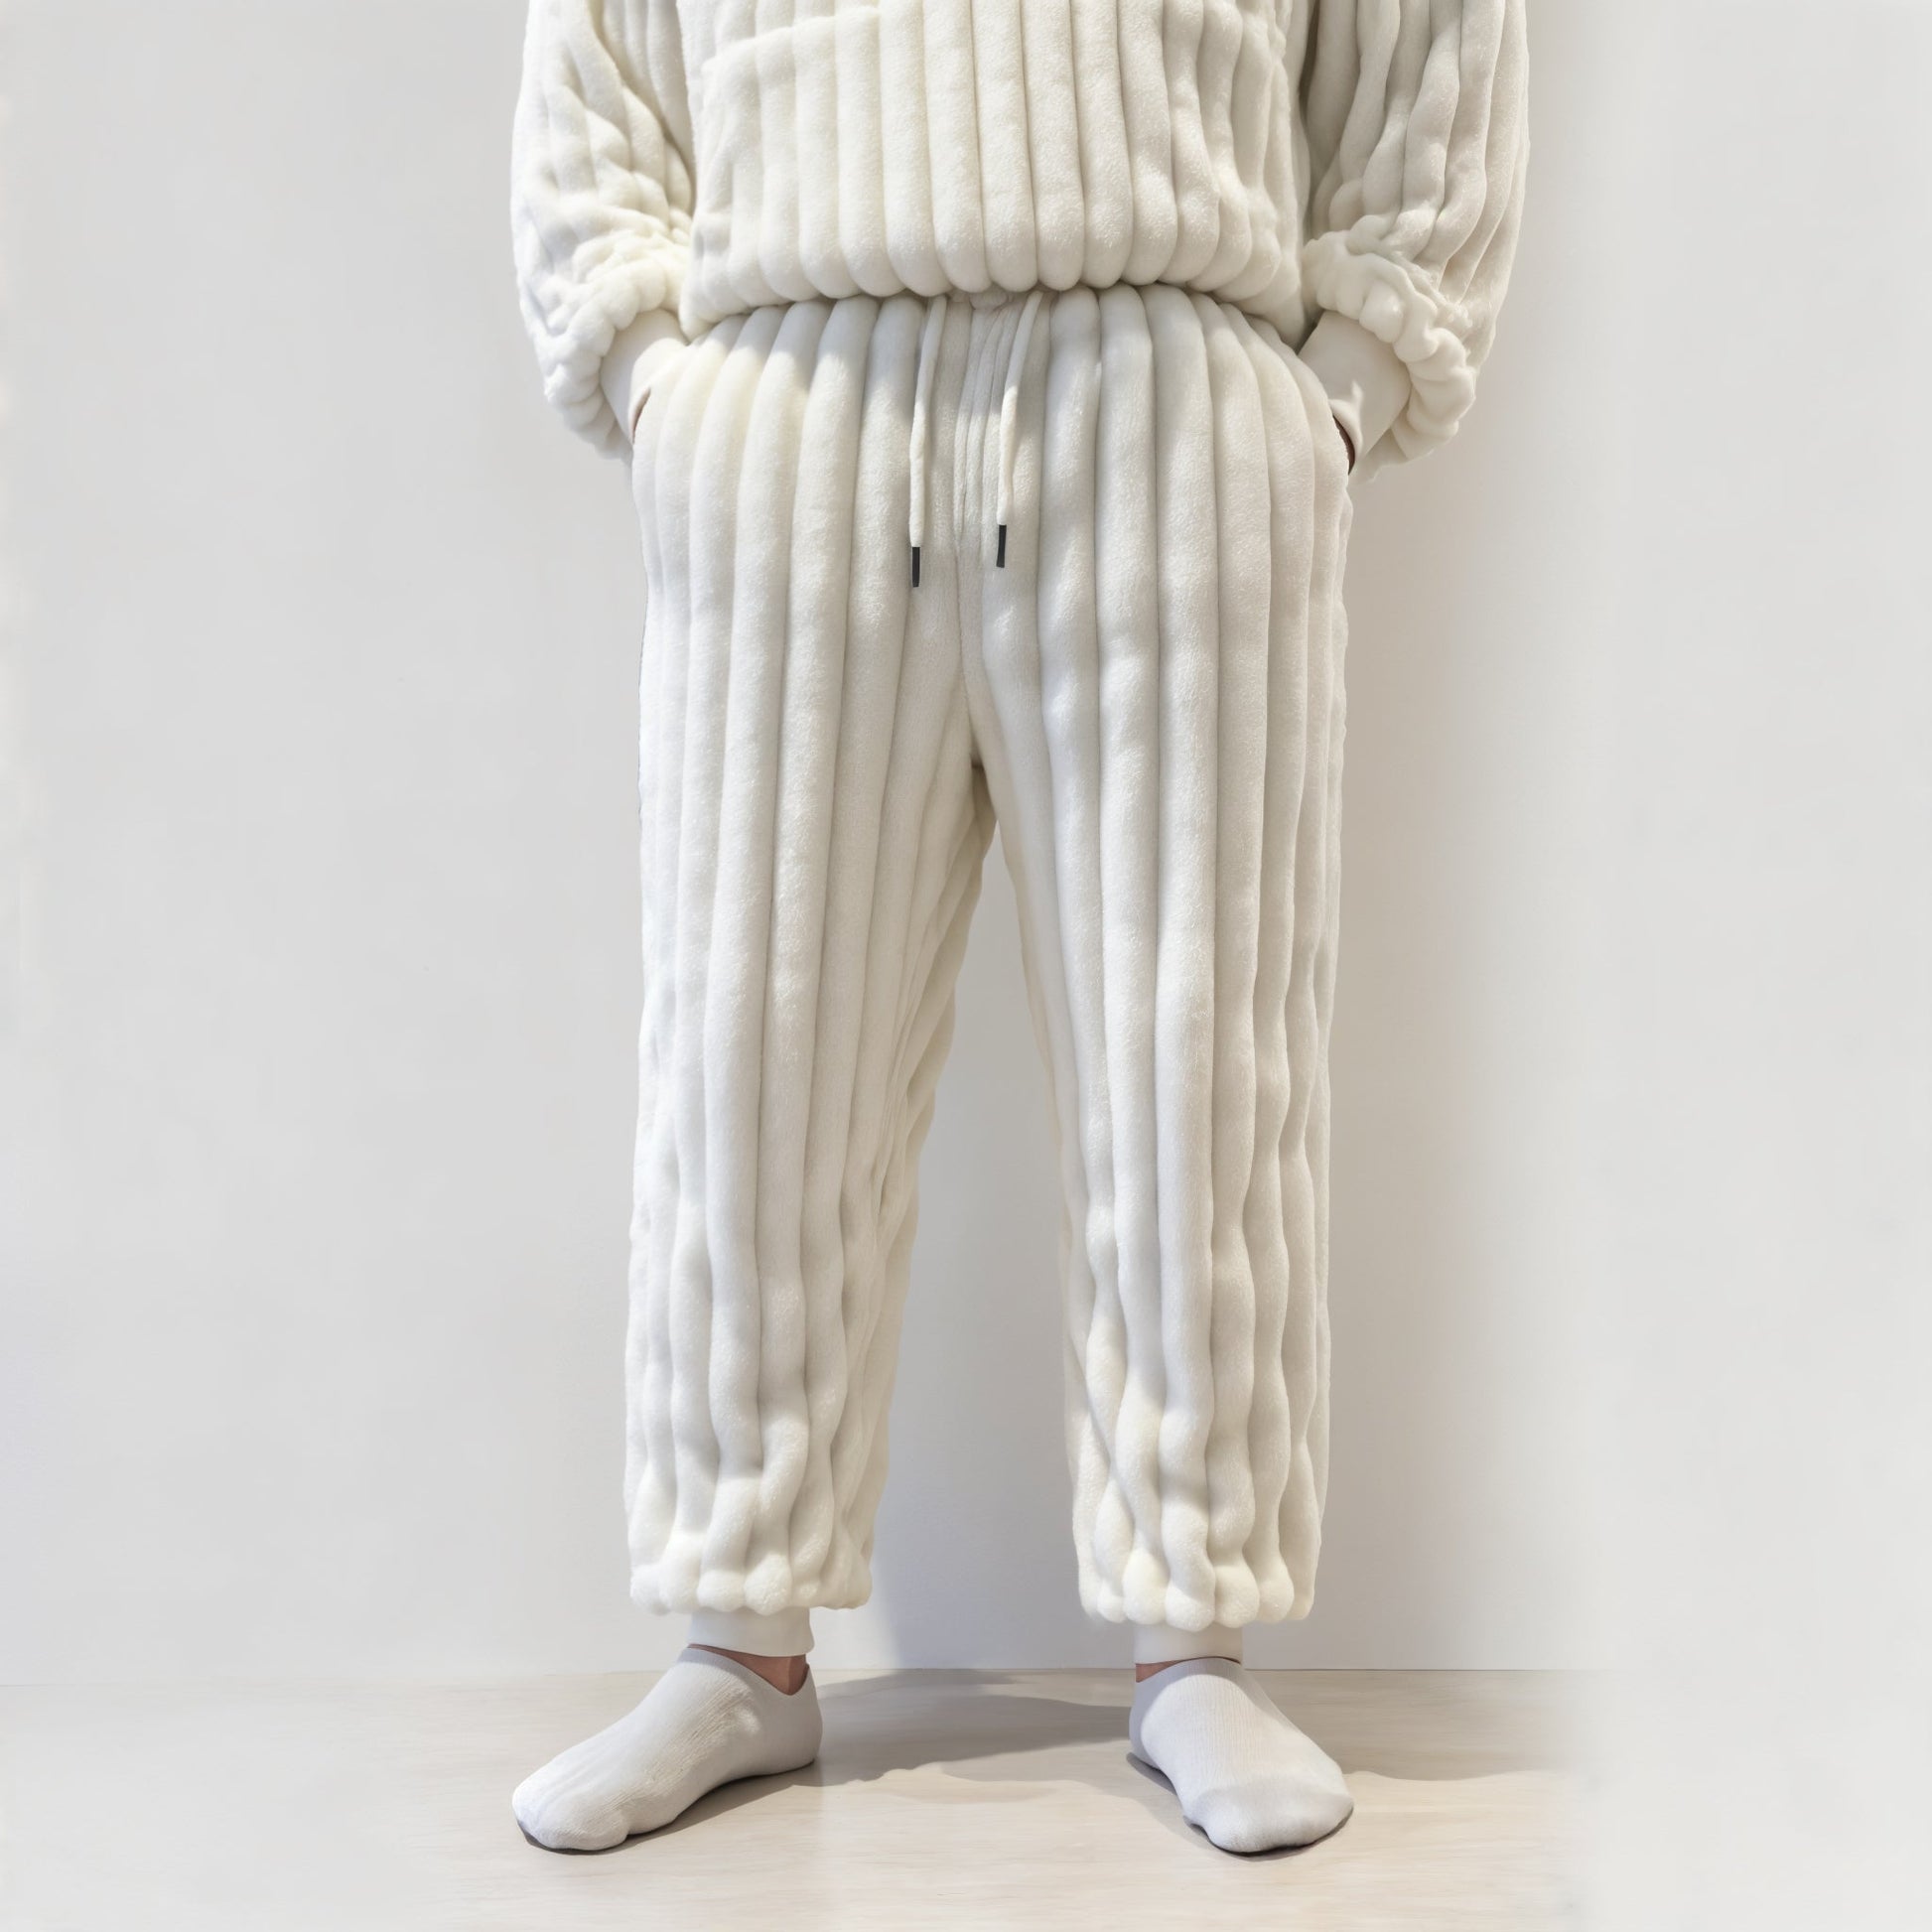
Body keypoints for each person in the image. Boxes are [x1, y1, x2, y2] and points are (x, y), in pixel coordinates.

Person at [506, 0, 1527, 1857]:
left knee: (1195, 1052)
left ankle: (1191, 1638)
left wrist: (1342, 385)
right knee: (750, 1051)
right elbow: (593, 54)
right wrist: (651, 371)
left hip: (1174, 383)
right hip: (787, 387)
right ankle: (740, 1638)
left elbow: (1433, 37)